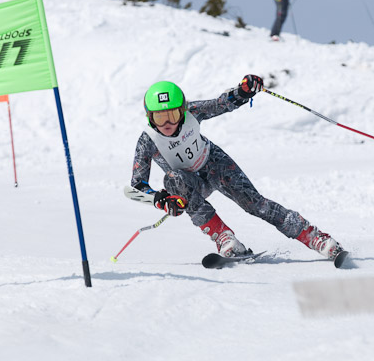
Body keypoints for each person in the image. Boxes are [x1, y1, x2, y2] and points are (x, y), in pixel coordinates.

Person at [130, 75, 347, 261]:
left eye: (173, 115)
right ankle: (224, 237)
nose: (167, 123)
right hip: (191, 184)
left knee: (256, 205)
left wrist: (243, 91)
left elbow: (220, 104)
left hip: (214, 164)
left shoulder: (192, 112)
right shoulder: (147, 141)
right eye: (159, 117)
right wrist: (161, 200)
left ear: (183, 111)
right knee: (173, 180)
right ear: (149, 117)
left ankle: (315, 237)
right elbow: (135, 187)